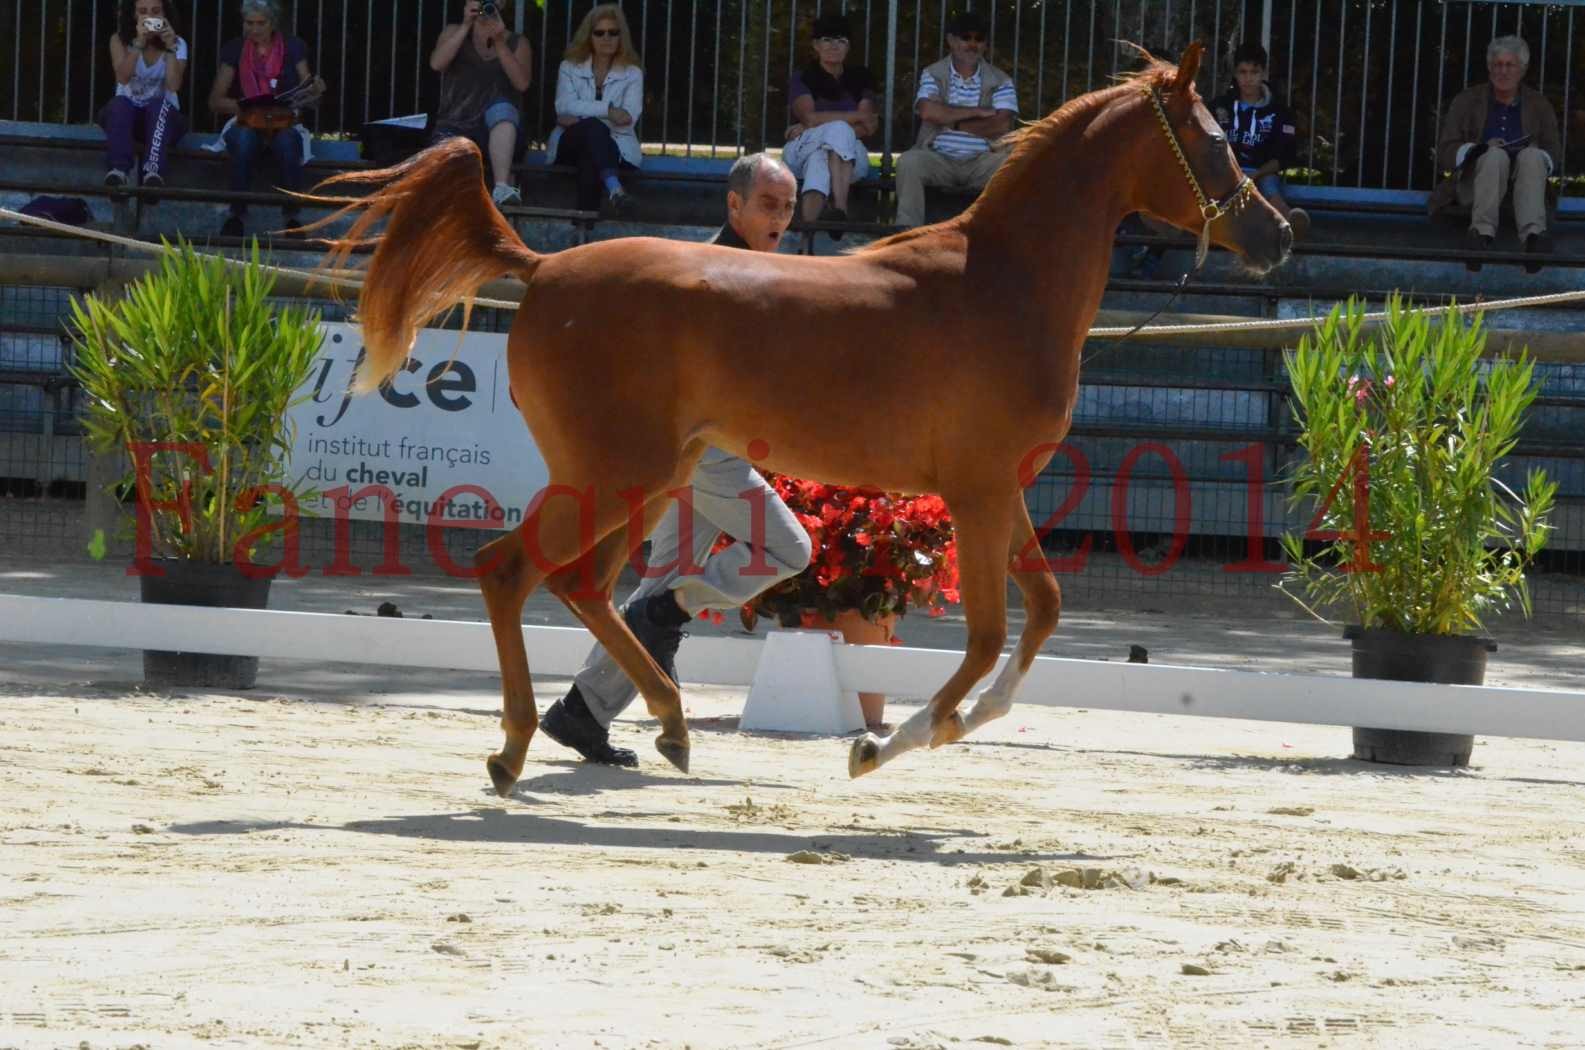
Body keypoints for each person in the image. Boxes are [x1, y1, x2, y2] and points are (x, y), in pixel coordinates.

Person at [538, 153, 810, 767]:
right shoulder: (711, 276)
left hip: (699, 452)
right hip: (703, 453)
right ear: (733, 206)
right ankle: (672, 610)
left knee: (659, 583)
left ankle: (581, 712)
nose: (781, 217)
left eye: (788, 207)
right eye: (768, 204)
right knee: (790, 550)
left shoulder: (758, 271)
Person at [1432, 34, 1561, 274]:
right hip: (1476, 185)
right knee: (1494, 156)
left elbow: (1554, 152)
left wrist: (1538, 153)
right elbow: (1445, 151)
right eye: (1497, 65)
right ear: (1489, 68)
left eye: (1509, 65)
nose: (1503, 71)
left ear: (1522, 69)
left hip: (1525, 188)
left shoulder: (1539, 104)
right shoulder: (1467, 101)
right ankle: (1479, 237)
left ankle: (1534, 240)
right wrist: (1478, 149)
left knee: (1532, 157)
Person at [207, 0, 327, 237]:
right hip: (247, 119)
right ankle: (236, 215)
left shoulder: (293, 47)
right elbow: (215, 101)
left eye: (261, 23)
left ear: (273, 23)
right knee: (243, 141)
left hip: (283, 120)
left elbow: (309, 93)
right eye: (249, 23)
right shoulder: (235, 48)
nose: (254, 29)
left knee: (287, 142)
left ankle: (292, 217)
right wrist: (247, 106)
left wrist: (315, 91)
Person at [893, 10, 1017, 229]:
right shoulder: (933, 73)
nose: (972, 44)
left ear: (985, 45)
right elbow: (928, 112)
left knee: (1013, 165)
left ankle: (1001, 234)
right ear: (951, 40)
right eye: (965, 38)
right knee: (908, 162)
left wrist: (953, 121)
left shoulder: (1001, 80)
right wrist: (977, 112)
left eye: (979, 39)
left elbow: (1001, 125)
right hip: (938, 158)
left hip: (983, 160)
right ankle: (905, 233)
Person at [783, 12, 878, 248]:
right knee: (836, 132)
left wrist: (818, 125)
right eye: (827, 39)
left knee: (820, 160)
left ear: (849, 47)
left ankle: (806, 241)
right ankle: (840, 210)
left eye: (841, 40)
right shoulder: (803, 77)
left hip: (852, 158)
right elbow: (809, 115)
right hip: (801, 149)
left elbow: (869, 127)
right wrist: (851, 119)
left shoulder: (861, 78)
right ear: (815, 45)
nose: (834, 46)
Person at [429, 0, 533, 206]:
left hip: (501, 131)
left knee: (502, 108)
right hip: (455, 125)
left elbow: (522, 84)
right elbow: (436, 64)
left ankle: (502, 187)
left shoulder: (518, 42)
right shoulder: (453, 31)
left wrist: (499, 40)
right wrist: (466, 25)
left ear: (502, 5)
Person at [546, 4, 644, 217]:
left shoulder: (633, 73)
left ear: (621, 37)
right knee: (593, 129)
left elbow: (629, 116)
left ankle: (584, 231)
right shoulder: (569, 67)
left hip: (617, 146)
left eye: (613, 32)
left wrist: (580, 115)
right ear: (589, 36)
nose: (606, 38)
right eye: (599, 33)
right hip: (569, 143)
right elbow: (563, 106)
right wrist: (608, 111)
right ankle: (615, 190)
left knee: (590, 155)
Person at [1210, 43, 1309, 241]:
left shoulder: (1280, 112)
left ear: (1263, 73)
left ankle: (1290, 224)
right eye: (1242, 72)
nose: (1248, 79)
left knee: (1269, 187)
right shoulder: (1220, 106)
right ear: (1235, 74)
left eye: (1254, 72)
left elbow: (1284, 157)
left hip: (1261, 172)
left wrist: (1256, 175)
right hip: (1227, 172)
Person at [101, 1, 189, 189]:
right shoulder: (119, 40)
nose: (149, 17)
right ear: (133, 15)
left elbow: (173, 85)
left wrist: (170, 48)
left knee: (160, 105)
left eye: (156, 11)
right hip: (126, 120)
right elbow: (123, 78)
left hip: (163, 122)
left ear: (165, 14)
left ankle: (153, 173)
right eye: (142, 11)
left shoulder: (178, 43)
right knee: (120, 103)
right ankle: (118, 171)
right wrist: (138, 45)